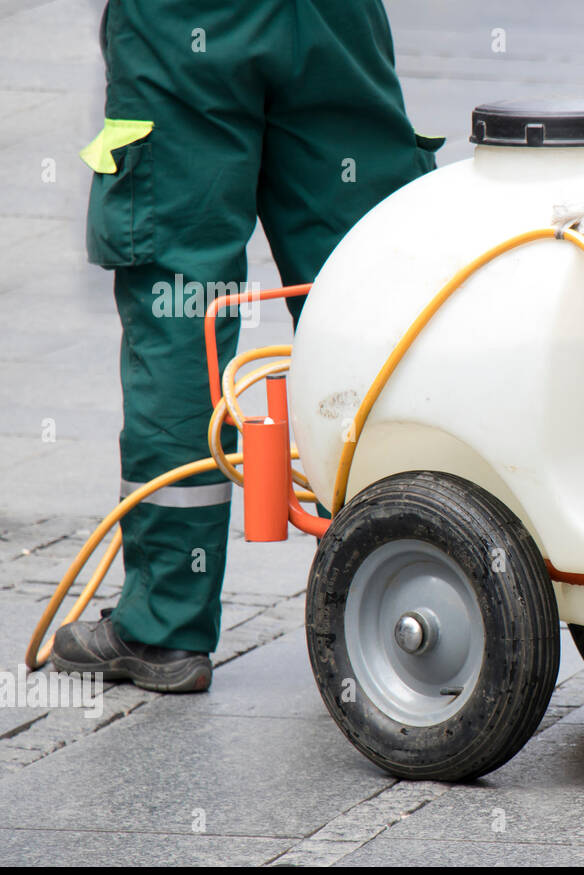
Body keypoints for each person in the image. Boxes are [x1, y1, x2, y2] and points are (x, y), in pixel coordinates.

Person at [51, 0, 440, 692]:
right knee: (366, 282)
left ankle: (164, 625)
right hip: (330, 19)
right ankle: (412, 581)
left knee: (183, 305)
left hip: (182, 25)